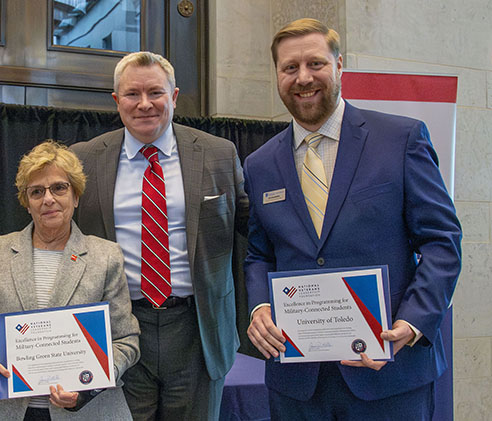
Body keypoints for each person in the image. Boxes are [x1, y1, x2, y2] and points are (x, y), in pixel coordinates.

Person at [243, 18, 462, 420]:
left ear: (339, 66)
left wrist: (411, 325)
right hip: (297, 383)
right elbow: (259, 252)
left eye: (315, 64)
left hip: (388, 374)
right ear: (277, 75)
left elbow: (442, 243)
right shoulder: (259, 165)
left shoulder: (401, 139)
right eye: (290, 67)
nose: (303, 77)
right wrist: (259, 308)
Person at [70, 51, 248, 420]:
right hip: (118, 327)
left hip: (197, 328)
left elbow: (255, 230)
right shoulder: (84, 160)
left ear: (175, 96)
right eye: (132, 94)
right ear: (117, 101)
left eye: (156, 92)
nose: (145, 104)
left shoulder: (218, 154)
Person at [0, 140, 140, 420]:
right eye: (37, 191)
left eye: (59, 188)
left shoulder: (106, 256)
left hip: (87, 412)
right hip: (7, 411)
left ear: (76, 196)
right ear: (26, 202)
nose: (48, 199)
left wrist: (87, 386)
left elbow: (126, 341)